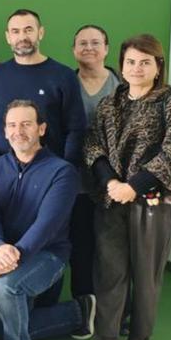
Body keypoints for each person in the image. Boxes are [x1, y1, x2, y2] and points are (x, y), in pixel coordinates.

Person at [69, 35, 171, 340]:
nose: (136, 68)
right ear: (121, 66)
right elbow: (92, 144)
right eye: (130, 62)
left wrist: (134, 186)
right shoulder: (111, 103)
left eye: (144, 62)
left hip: (150, 202)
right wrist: (110, 181)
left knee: (145, 273)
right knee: (109, 272)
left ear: (157, 66)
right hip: (111, 200)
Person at [0, 100, 95, 340]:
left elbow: (48, 225)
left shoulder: (62, 172)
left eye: (26, 124)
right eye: (12, 125)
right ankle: (78, 312)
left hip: (48, 255)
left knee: (3, 285)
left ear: (41, 128)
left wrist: (13, 253)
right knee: (1, 330)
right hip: (6, 252)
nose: (19, 131)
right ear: (5, 132)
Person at [0, 9, 87, 185]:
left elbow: (76, 128)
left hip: (50, 173)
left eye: (28, 30)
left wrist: (67, 168)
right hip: (3, 172)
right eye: (15, 31)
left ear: (40, 33)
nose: (22, 37)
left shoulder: (63, 75)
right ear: (8, 37)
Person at [67, 25, 121, 307]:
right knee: (82, 245)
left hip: (116, 181)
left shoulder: (122, 86)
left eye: (95, 42)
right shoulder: (66, 83)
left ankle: (116, 308)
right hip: (77, 182)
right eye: (82, 43)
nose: (89, 48)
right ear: (74, 50)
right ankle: (83, 305)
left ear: (107, 48)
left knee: (113, 248)